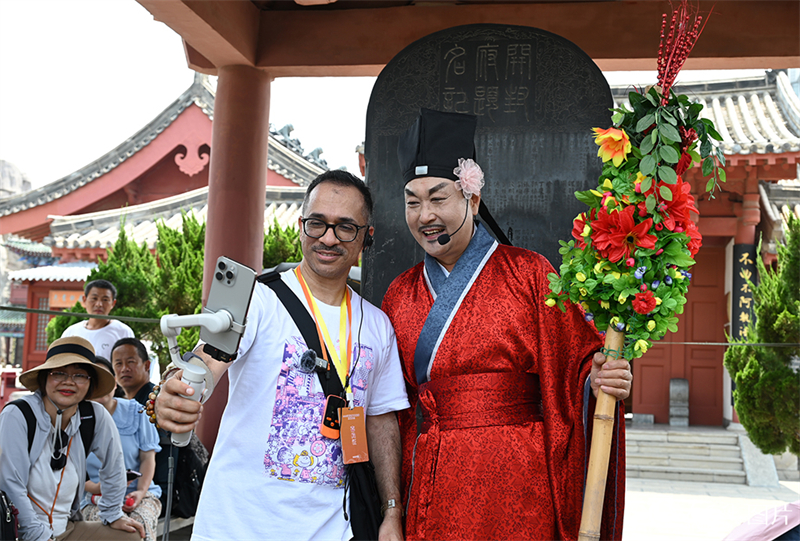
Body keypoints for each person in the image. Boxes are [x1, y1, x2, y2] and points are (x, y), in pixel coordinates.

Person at [381, 108, 632, 541]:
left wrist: (600, 378)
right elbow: (391, 407)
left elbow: (576, 362)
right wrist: (392, 508)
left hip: (519, 480)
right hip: (431, 480)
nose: (425, 215)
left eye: (438, 198)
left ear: (472, 199)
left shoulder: (530, 273)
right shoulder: (400, 294)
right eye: (412, 201)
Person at [155, 170, 410, 541]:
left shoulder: (377, 325)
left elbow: (381, 420)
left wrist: (391, 511)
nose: (328, 238)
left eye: (345, 227)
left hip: (335, 529)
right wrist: (178, 388)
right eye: (317, 223)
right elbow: (207, 360)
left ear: (366, 238)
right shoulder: (256, 299)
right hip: (239, 526)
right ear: (300, 226)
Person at [0, 336, 145, 541]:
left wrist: (113, 514)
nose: (68, 382)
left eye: (80, 375)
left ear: (90, 383)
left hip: (66, 528)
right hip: (18, 531)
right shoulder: (18, 414)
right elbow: (10, 483)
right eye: (59, 373)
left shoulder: (93, 416)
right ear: (44, 378)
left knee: (130, 537)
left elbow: (114, 466)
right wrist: (37, 534)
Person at [81, 357, 162, 541]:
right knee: (109, 528)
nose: (100, 386)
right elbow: (70, 468)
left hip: (140, 494)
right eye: (94, 381)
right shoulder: (76, 418)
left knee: (139, 524)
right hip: (92, 496)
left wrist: (140, 492)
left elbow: (148, 458)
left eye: (106, 379)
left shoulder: (137, 412)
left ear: (115, 381)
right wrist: (98, 488)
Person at [111, 338, 174, 516]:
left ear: (147, 365)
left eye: (131, 362)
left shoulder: (155, 401)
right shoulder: (121, 404)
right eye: (118, 364)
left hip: (157, 491)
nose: (124, 369)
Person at [61, 280, 135, 360]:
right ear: (84, 300)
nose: (99, 304)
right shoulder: (71, 332)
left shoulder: (123, 332)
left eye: (105, 300)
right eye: (94, 298)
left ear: (113, 303)